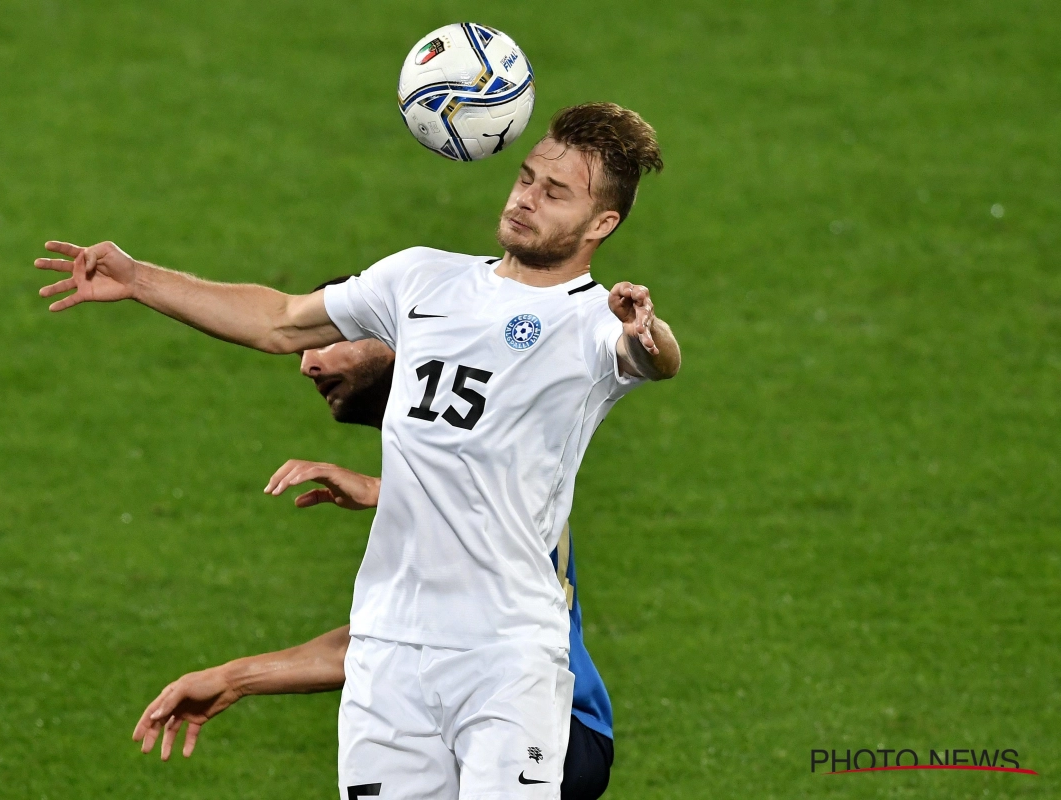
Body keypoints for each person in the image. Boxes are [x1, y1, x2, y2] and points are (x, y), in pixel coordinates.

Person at [36, 102, 680, 799]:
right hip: (386, 653)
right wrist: (138, 281)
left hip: (507, 654)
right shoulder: (420, 279)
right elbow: (280, 320)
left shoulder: (594, 321)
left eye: (555, 194)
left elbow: (652, 358)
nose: (526, 199)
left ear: (601, 225)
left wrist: (647, 332)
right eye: (526, 178)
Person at [132, 323, 616, 799]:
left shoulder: (485, 444)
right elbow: (383, 643)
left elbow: (500, 508)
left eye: (330, 338)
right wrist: (233, 679)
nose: (308, 364)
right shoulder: (440, 459)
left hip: (551, 721)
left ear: (400, 341)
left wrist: (382, 492)